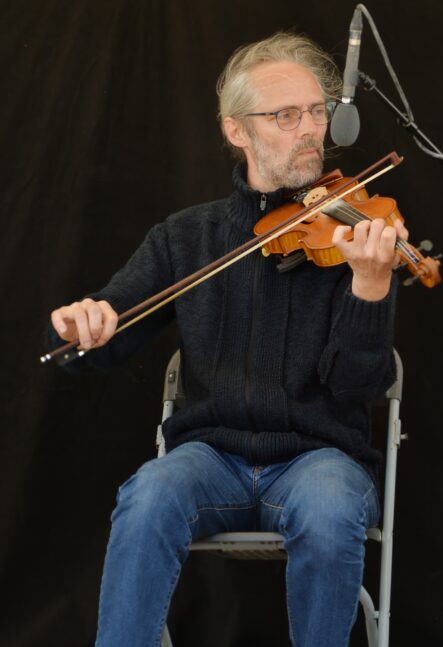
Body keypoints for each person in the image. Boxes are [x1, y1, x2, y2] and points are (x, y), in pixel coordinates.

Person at [48, 32, 407, 647]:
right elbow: (110, 331)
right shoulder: (186, 238)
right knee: (149, 494)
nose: (310, 130)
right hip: (209, 458)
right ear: (237, 130)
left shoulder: (358, 233)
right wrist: (86, 326)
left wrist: (368, 288)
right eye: (285, 116)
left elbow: (357, 386)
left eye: (317, 111)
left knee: (328, 509)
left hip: (318, 457)